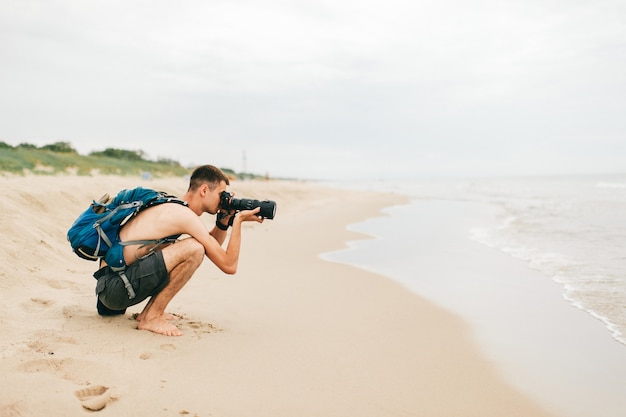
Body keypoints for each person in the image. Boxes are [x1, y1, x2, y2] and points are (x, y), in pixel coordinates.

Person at [93, 165, 264, 336]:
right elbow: (229, 265)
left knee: (195, 247)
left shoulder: (175, 206)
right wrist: (239, 220)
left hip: (112, 288)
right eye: (221, 194)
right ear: (204, 190)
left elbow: (211, 246)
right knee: (193, 249)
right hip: (114, 288)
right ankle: (151, 316)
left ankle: (152, 311)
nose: (223, 200)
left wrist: (224, 220)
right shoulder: (183, 215)